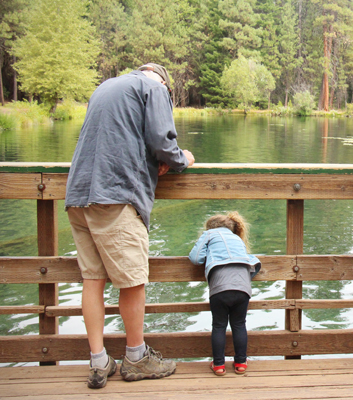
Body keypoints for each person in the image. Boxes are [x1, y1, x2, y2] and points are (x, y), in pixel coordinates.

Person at [65, 63, 195, 389]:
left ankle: (99, 362)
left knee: (92, 279)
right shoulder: (153, 89)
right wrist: (182, 158)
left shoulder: (108, 86)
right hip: (115, 195)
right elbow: (162, 141)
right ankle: (136, 358)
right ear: (164, 84)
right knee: (133, 281)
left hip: (79, 194)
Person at [188, 212, 261, 376]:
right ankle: (241, 363)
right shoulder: (238, 239)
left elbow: (195, 258)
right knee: (239, 324)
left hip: (220, 287)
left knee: (219, 325)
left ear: (210, 227)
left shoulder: (209, 234)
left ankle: (219, 365)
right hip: (243, 287)